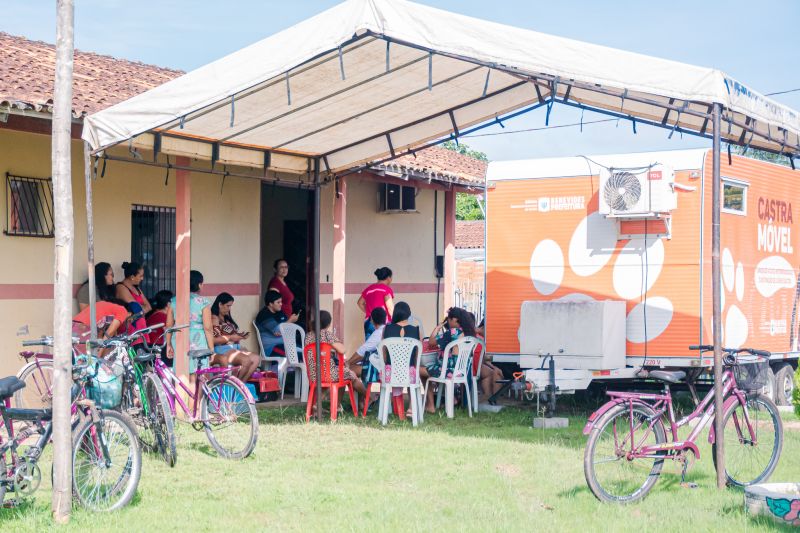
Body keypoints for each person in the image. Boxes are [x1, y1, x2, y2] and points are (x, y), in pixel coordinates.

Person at [424, 307, 476, 412]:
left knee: (420, 371)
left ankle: (430, 405)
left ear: (455, 319)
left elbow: (431, 342)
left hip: (449, 372)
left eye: (449, 319)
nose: (448, 321)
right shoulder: (469, 334)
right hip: (462, 372)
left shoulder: (452, 332)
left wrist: (437, 328)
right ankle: (452, 398)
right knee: (434, 370)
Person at [305, 310, 365, 396]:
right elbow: (342, 350)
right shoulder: (327, 335)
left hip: (313, 375)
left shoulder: (308, 336)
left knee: (343, 373)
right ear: (328, 324)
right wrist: (332, 345)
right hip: (328, 374)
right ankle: (369, 397)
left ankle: (318, 402)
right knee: (349, 374)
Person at [165, 270, 215, 374]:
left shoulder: (174, 301)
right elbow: (208, 328)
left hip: (179, 338)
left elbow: (169, 325)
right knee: (198, 372)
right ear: (199, 285)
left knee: (182, 372)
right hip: (197, 338)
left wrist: (168, 344)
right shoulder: (203, 302)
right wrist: (211, 349)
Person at [382, 301, 425, 412]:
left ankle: (393, 406)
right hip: (409, 373)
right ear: (409, 314)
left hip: (390, 373)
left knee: (389, 368)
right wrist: (412, 367)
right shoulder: (417, 330)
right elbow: (417, 356)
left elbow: (384, 354)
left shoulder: (386, 329)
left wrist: (390, 365)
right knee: (413, 372)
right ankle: (411, 408)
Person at [210, 292, 261, 382]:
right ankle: (235, 384)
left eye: (230, 306)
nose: (229, 309)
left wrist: (239, 336)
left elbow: (230, 334)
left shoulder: (226, 317)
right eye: (228, 306)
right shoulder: (214, 318)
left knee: (256, 359)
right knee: (246, 360)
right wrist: (231, 337)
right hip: (222, 349)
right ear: (220, 304)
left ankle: (241, 384)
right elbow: (215, 339)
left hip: (233, 347)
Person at [255, 290, 299, 356]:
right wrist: (290, 321)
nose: (281, 304)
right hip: (271, 347)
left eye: (281, 302)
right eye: (278, 302)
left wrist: (289, 322)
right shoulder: (264, 315)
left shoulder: (279, 312)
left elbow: (286, 328)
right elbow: (278, 331)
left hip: (284, 344)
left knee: (304, 350)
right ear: (270, 304)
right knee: (297, 354)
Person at [347, 307, 387, 380]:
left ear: (372, 320)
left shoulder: (378, 333)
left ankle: (361, 388)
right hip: (388, 368)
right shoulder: (387, 330)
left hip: (379, 370)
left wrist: (348, 362)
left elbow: (362, 352)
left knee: (346, 370)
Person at [357, 267, 394, 338]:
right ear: (388, 278)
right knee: (384, 344)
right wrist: (394, 321)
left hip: (369, 321)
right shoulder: (386, 289)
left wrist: (370, 312)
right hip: (383, 323)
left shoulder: (369, 289)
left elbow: (360, 303)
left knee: (370, 343)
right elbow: (390, 308)